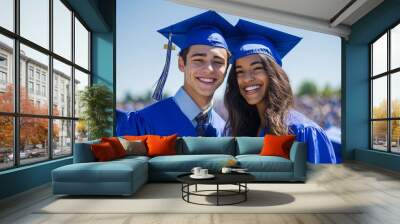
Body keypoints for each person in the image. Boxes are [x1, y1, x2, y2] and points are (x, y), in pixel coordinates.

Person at [224, 19, 338, 163]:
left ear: (273, 74)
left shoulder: (303, 131)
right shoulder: (238, 128)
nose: (247, 79)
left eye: (257, 68)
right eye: (240, 72)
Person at [116, 10, 235, 137]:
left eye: (218, 62)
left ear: (226, 68)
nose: (209, 69)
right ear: (181, 63)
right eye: (198, 60)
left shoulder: (224, 131)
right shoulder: (140, 124)